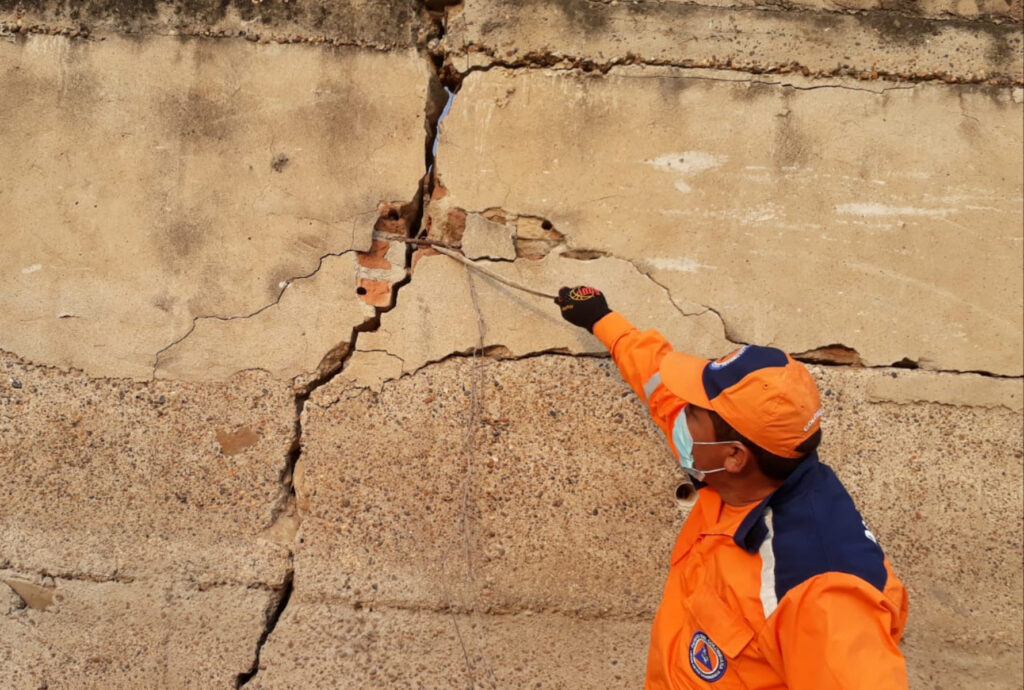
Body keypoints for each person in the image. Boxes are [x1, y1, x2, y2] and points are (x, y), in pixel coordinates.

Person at [555, 286, 909, 689]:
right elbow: (658, 379)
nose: (678, 412)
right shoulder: (743, 466)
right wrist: (602, 319)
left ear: (734, 456)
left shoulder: (821, 589)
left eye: (693, 411)